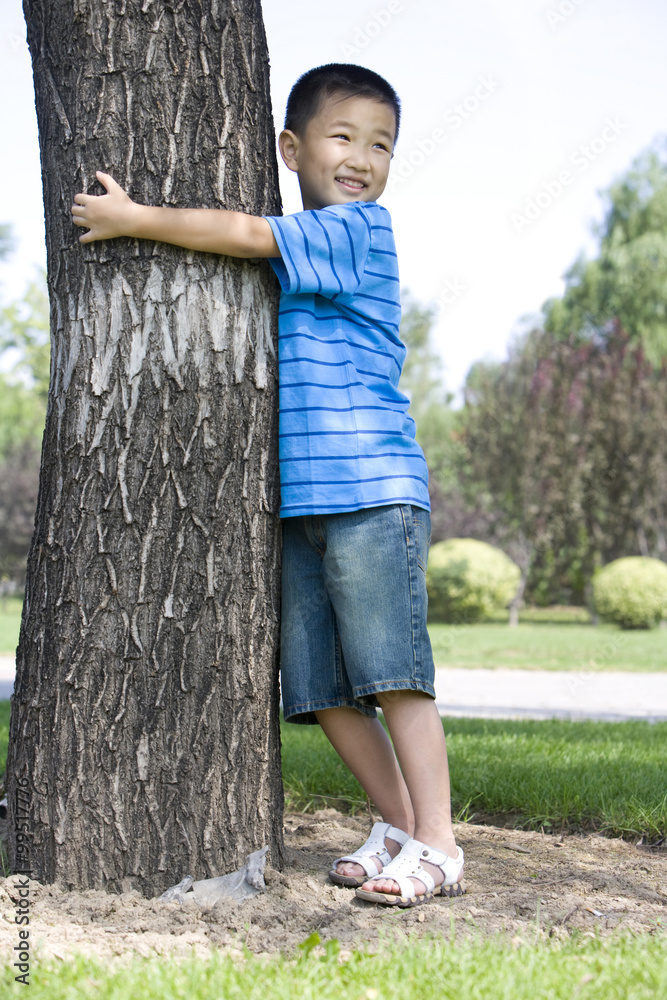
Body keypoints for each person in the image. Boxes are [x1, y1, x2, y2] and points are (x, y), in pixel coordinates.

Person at [71, 62, 465, 908]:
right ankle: (397, 826)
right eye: (341, 136)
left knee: (393, 675)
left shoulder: (358, 229)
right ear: (292, 147)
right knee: (321, 690)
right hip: (306, 503)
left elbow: (246, 235)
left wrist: (134, 218)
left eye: (381, 144)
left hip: (369, 489)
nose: (361, 157)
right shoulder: (310, 242)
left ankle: (439, 841)